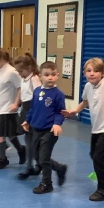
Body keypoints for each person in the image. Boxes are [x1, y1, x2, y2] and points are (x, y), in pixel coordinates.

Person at [62, 57, 104, 201]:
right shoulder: (88, 86)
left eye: (96, 71)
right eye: (88, 71)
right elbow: (86, 101)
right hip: (96, 128)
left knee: (98, 158)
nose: (92, 73)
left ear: (103, 73)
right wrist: (75, 111)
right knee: (94, 155)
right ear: (84, 73)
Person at [22, 61, 67, 194]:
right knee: (38, 157)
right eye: (46, 75)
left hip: (50, 131)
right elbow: (32, 108)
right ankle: (59, 168)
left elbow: (60, 112)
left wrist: (57, 123)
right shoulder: (37, 91)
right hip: (36, 129)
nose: (50, 77)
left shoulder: (58, 94)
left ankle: (47, 183)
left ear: (57, 75)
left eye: (53, 74)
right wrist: (27, 120)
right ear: (40, 76)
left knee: (44, 158)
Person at [0, 46, 26, 170]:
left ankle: (2, 159)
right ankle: (21, 149)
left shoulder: (11, 72)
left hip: (6, 109)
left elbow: (20, 88)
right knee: (10, 134)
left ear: (0, 59)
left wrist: (16, 103)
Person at [13, 54, 42, 180]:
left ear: (29, 68)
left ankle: (41, 165)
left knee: (32, 142)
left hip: (32, 110)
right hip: (25, 109)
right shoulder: (24, 78)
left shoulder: (34, 79)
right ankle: (31, 165)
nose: (20, 74)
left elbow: (38, 96)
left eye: (21, 71)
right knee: (28, 140)